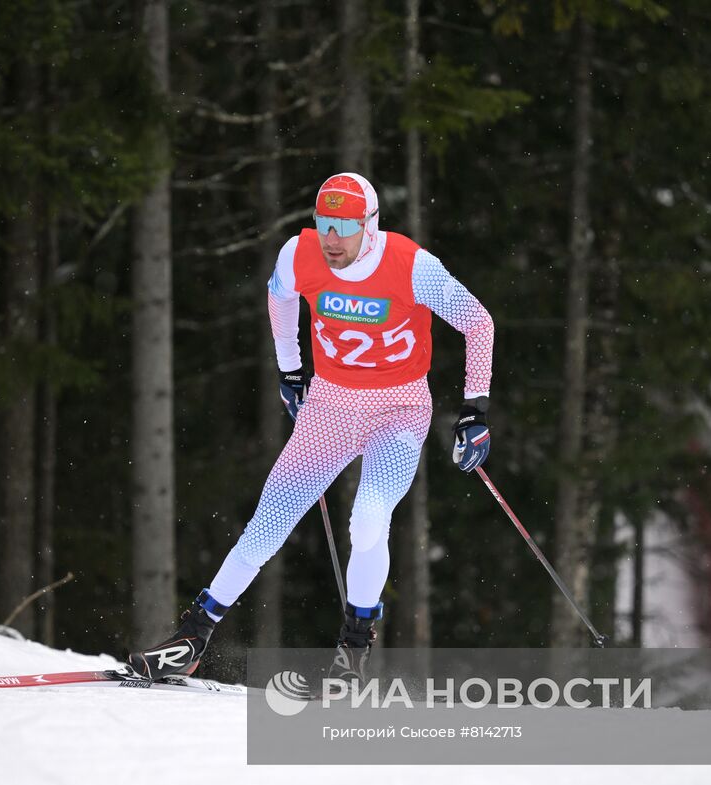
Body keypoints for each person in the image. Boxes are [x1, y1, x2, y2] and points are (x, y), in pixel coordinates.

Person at [129, 172, 495, 681]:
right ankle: (192, 637)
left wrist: (475, 409)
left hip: (399, 412)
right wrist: (290, 368)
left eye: (344, 226)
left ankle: (352, 652)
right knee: (268, 523)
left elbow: (478, 321)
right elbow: (279, 296)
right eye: (324, 224)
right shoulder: (298, 255)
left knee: (368, 520)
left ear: (370, 225)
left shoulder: (411, 265)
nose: (332, 239)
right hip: (329, 409)